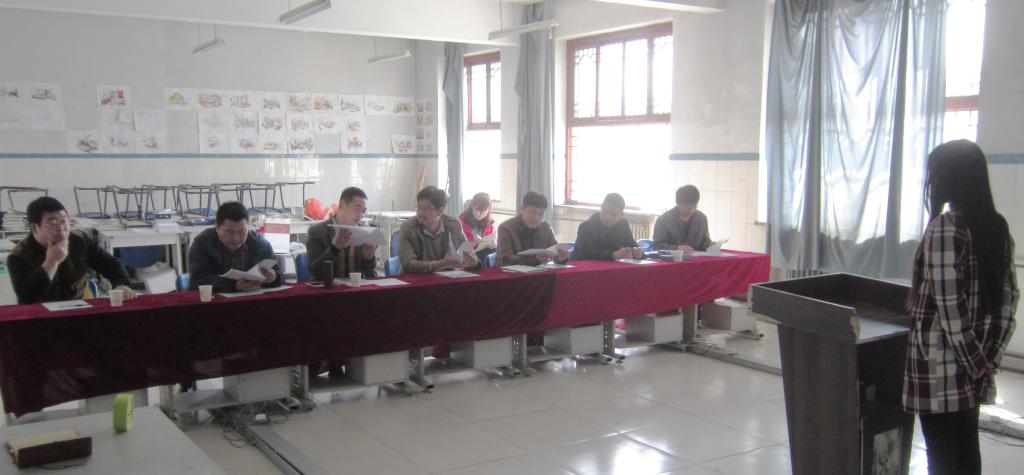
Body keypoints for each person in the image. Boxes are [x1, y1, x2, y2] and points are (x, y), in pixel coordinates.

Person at [902, 140, 1019, 475]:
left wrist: (976, 363)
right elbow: (1009, 301)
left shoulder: (945, 228)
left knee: (943, 458)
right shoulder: (995, 227)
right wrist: (988, 358)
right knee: (966, 453)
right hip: (973, 367)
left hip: (941, 368)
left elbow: (951, 310)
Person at [7, 196, 136, 304]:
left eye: (63, 221)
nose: (61, 228)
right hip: (42, 316)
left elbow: (109, 263)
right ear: (34, 227)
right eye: (53, 222)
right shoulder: (19, 256)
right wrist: (51, 262)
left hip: (81, 308)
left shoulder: (79, 240)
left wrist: (122, 284)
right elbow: (27, 298)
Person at [188, 201, 283, 292]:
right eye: (230, 232)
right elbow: (197, 281)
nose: (236, 238)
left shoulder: (260, 244)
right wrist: (234, 285)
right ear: (217, 227)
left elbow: (280, 275)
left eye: (242, 232)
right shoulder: (203, 244)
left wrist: (274, 278)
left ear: (248, 226)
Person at [398, 186, 479, 273]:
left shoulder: (453, 225)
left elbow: (470, 254)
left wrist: (472, 261)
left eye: (426, 209)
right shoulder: (408, 228)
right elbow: (408, 264)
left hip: (447, 278)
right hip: (417, 279)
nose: (421, 213)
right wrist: (442, 264)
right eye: (419, 208)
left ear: (440, 211)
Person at [305, 187, 377, 281]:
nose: (360, 215)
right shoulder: (317, 231)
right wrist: (334, 248)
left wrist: (369, 259)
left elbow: (369, 274)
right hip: (328, 288)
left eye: (363, 211)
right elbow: (315, 271)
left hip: (355, 288)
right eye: (357, 208)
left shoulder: (364, 232)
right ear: (342, 205)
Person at [496, 191, 568, 266]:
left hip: (539, 271)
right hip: (511, 271)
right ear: (522, 209)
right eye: (532, 213)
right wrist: (535, 260)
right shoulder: (506, 228)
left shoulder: (545, 227)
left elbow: (555, 251)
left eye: (540, 214)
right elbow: (507, 258)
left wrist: (561, 257)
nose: (536, 218)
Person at [570, 193, 642, 261]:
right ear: (601, 208)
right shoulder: (586, 226)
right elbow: (587, 253)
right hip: (580, 266)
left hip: (609, 266)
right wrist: (614, 255)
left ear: (621, 215)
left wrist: (638, 253)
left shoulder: (623, 225)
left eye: (613, 214)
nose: (608, 217)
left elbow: (632, 245)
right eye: (605, 212)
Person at [652, 185, 713, 252]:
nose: (691, 209)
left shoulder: (701, 218)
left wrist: (710, 246)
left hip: (695, 258)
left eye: (694, 206)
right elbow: (657, 246)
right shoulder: (663, 220)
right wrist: (677, 248)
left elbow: (705, 243)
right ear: (678, 203)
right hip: (672, 258)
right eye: (687, 207)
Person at [458, 192, 497, 262]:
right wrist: (476, 244)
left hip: (484, 255)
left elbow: (494, 238)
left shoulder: (490, 223)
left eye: (485, 211)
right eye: (479, 210)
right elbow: (459, 246)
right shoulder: (461, 222)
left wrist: (494, 242)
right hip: (467, 256)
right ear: (472, 206)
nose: (481, 214)